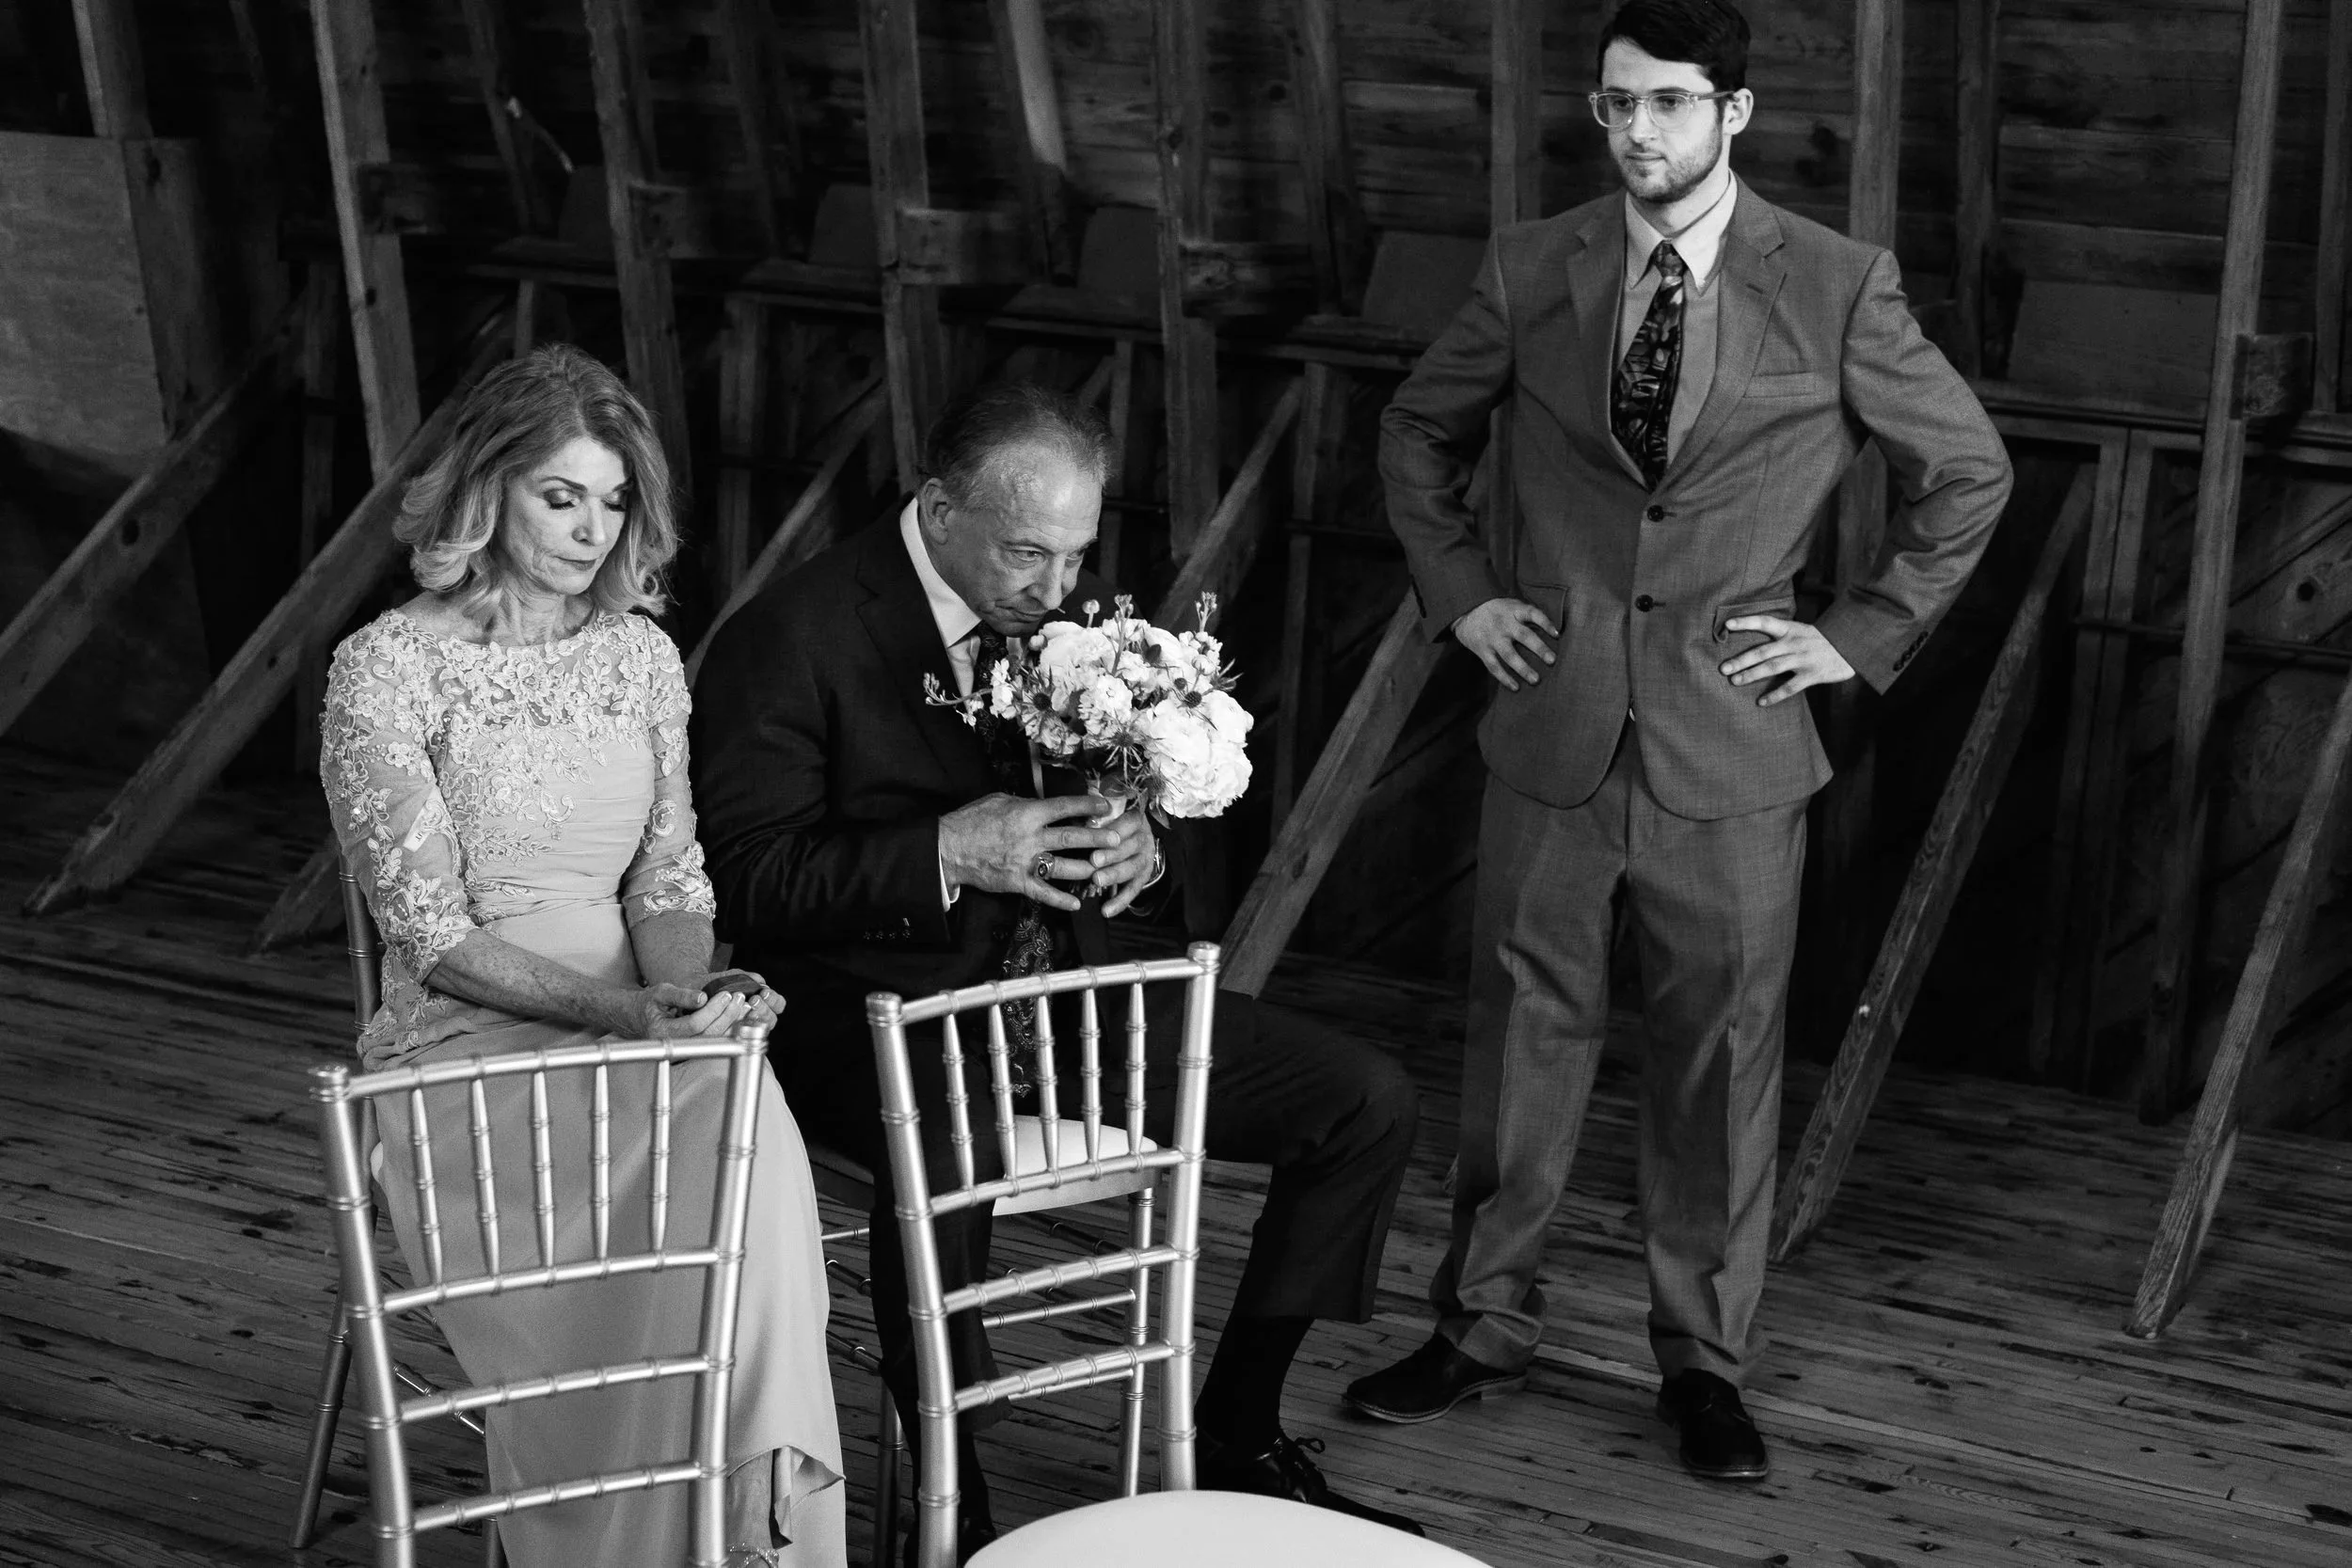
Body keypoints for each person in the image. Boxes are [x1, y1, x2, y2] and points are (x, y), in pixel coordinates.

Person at [1348, 0, 2012, 1483]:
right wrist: (1463, 600)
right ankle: (1479, 1321)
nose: (1634, 131)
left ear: (1737, 111)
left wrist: (1853, 633)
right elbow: (1415, 432)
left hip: (1735, 743)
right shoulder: (1538, 264)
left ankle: (1704, 1363)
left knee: (1719, 1060)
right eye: (1613, 106)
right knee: (1524, 1039)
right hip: (1553, 726)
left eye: (1663, 103)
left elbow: (1966, 471)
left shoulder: (1839, 287)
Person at [691, 379, 1425, 1558]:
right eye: (1027, 553)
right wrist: (943, 847)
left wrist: (1141, 851)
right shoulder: (796, 633)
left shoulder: (1068, 628)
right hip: (867, 1011)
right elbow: (746, 881)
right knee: (954, 1123)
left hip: (1063, 997)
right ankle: (949, 1486)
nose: (1056, 590)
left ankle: (1236, 1428)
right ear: (936, 507)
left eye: (1075, 555)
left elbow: (1108, 842)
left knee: (1361, 1098)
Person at [319, 344, 845, 1565]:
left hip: (636, 1019)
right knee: (726, 1120)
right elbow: (432, 937)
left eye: (613, 501)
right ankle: (702, 1532)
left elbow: (668, 875)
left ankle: (737, 1531)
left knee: (736, 1096)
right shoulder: (384, 669)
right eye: (561, 495)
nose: (592, 530)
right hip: (468, 1050)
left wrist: (679, 981)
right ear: (482, 487)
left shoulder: (638, 654)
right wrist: (620, 1018)